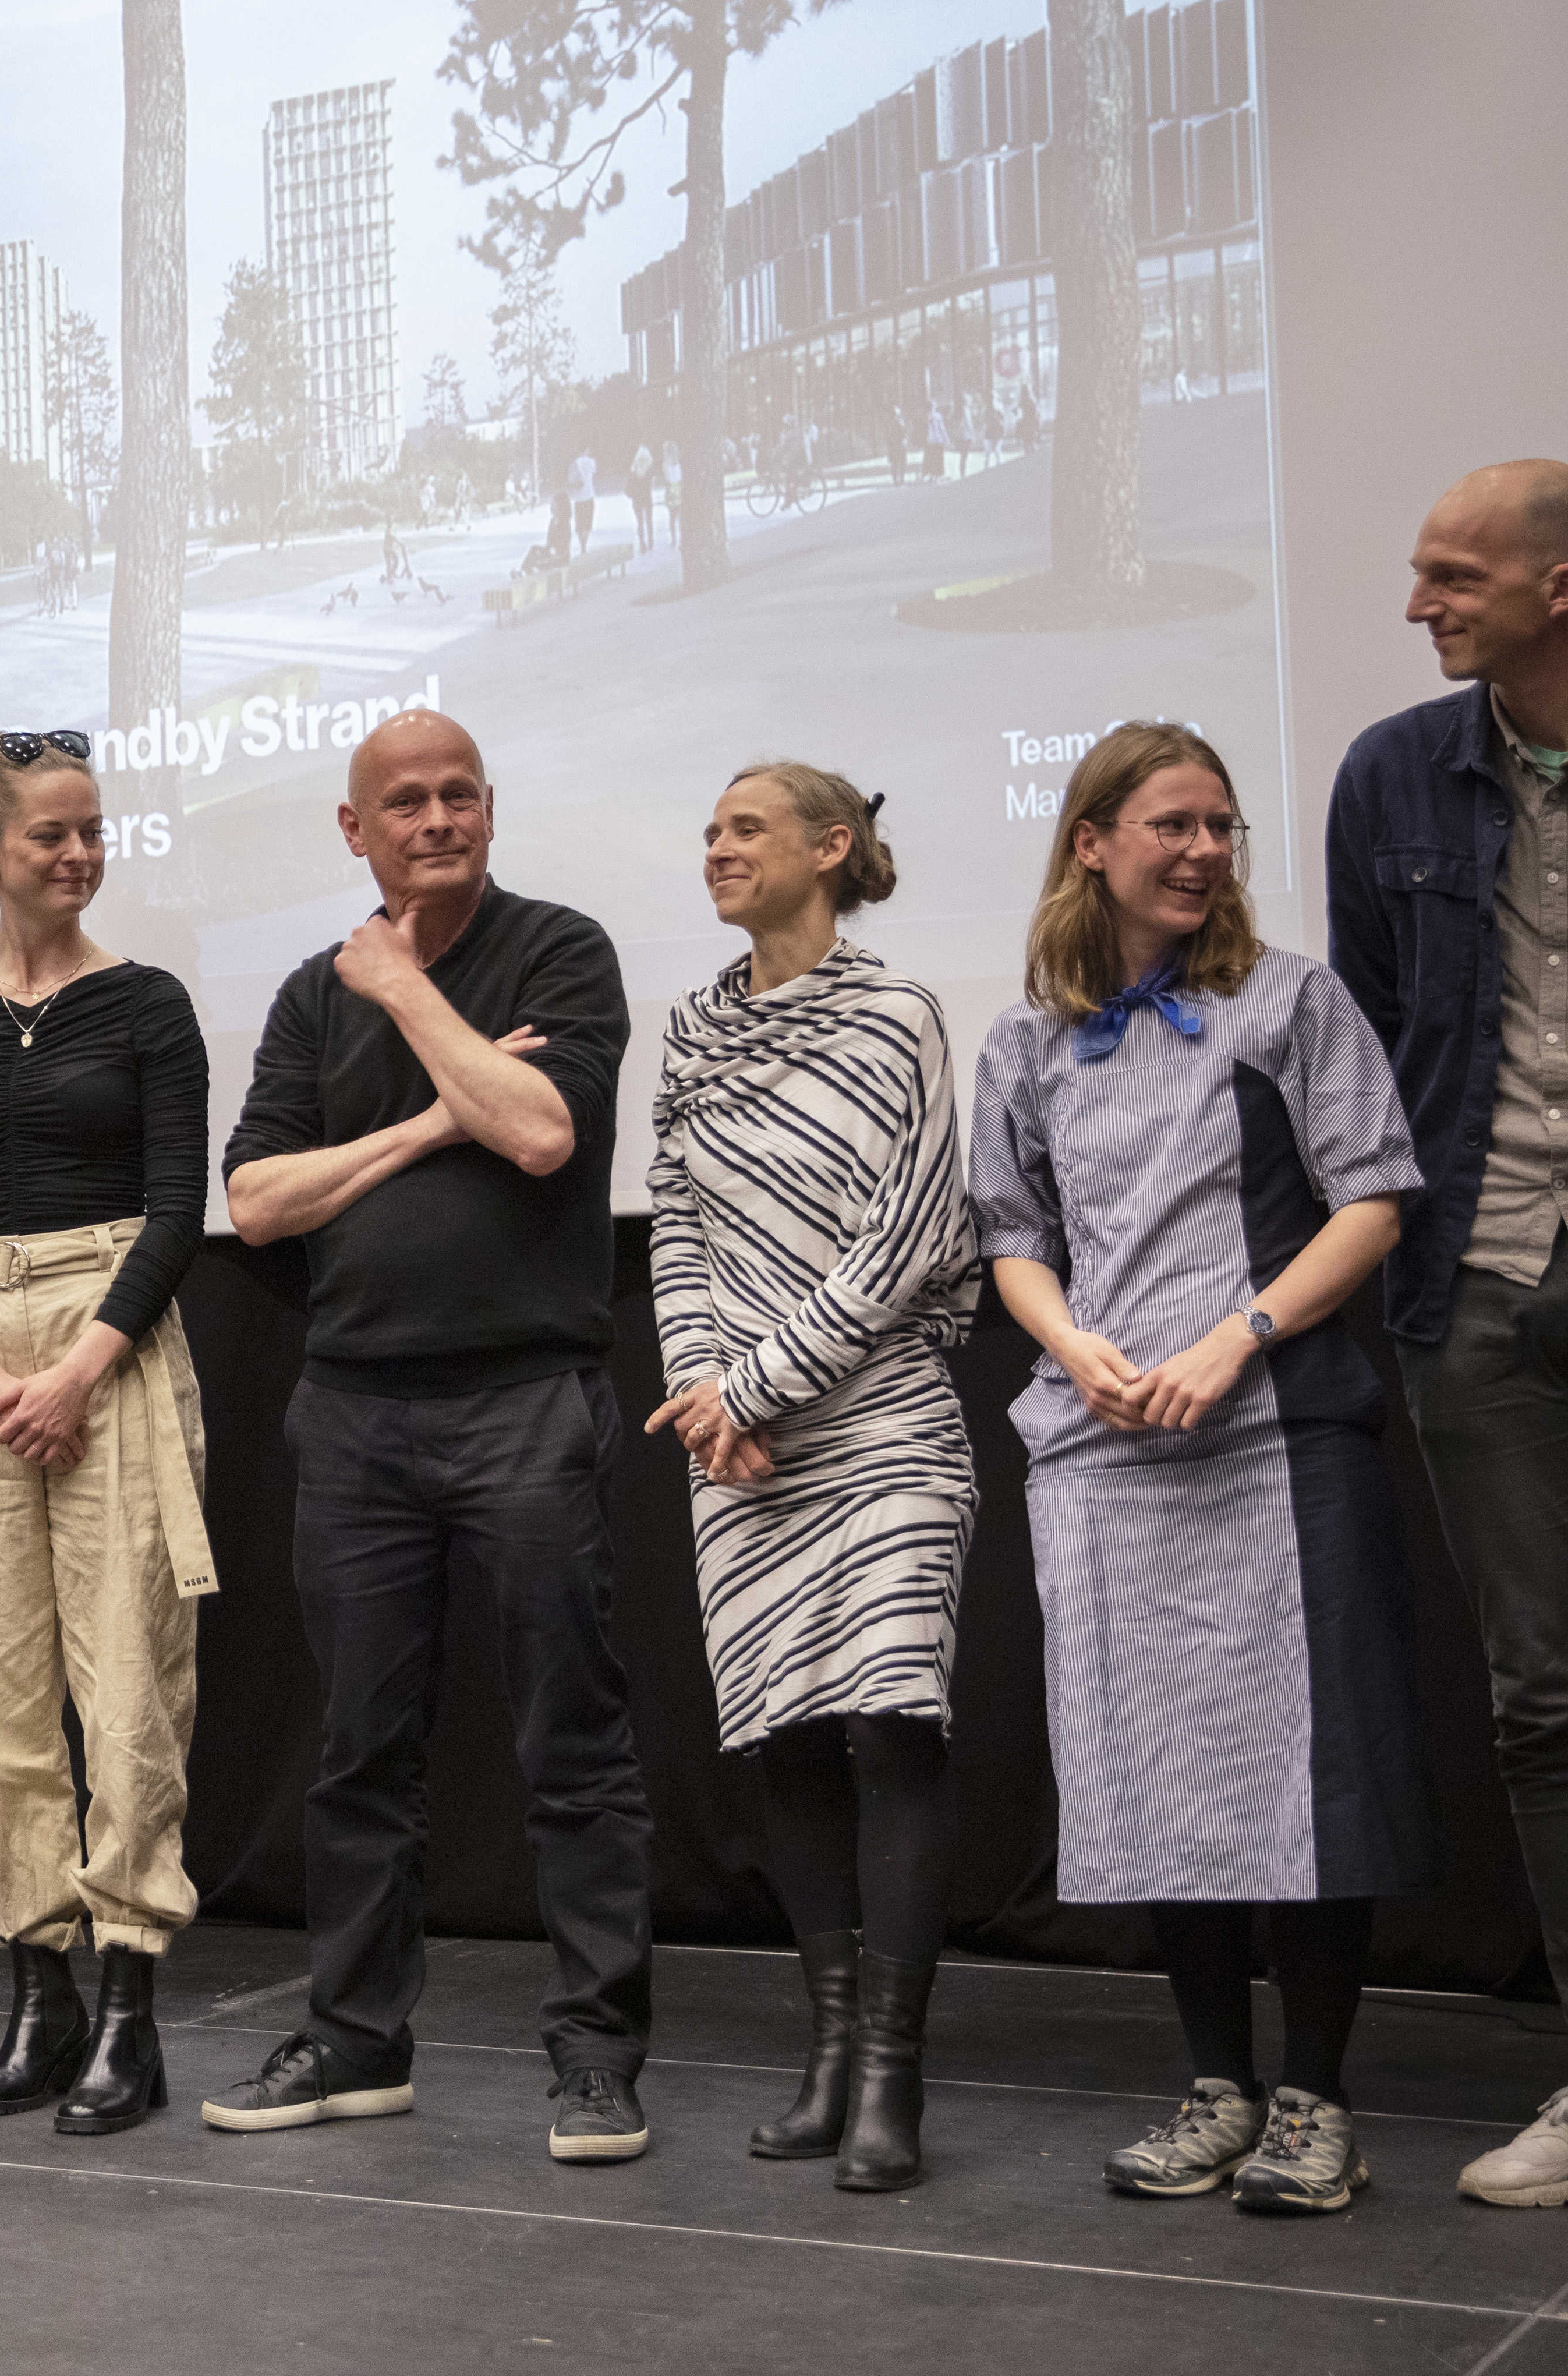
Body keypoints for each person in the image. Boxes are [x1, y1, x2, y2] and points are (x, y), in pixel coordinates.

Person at [976, 721, 1439, 2216]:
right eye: (1169, 822)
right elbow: (1009, 1236)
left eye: (1220, 826)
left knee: (1302, 1768)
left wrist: (1233, 1337)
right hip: (1100, 1455)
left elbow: (1369, 1197)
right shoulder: (1022, 1040)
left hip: (1272, 1435)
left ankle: (1312, 2096)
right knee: (1159, 1770)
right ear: (1089, 839)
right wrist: (1077, 1347)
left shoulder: (1288, 1001)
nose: (1199, 850)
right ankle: (1212, 2086)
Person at [206, 708, 654, 2164]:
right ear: (354, 829)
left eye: (460, 792)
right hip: (352, 1409)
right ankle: (352, 2040)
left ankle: (594, 2056)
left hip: (524, 1397)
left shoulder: (558, 950)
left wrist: (401, 988)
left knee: (567, 1744)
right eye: (404, 800)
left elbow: (534, 1131)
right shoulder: (299, 993)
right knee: (354, 1751)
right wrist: (415, 1128)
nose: (438, 817)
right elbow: (259, 1201)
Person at [1326, 458, 1568, 2208]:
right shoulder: (1388, 772)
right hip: (1473, 1286)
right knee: (1548, 1692)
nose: (1417, 599)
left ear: (1561, 587)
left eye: (1450, 574)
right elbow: (1365, 1032)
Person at [0, 731, 212, 2135]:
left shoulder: (146, 1004)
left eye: (90, 831)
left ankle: (128, 2005)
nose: (74, 855)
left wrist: (75, 1366)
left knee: (129, 1688)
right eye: (47, 835)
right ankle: (38, 1990)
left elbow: (180, 1205)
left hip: (110, 1335)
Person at [645, 768, 976, 2193]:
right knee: (784, 1736)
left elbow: (903, 1237)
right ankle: (828, 2049)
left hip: (880, 1422)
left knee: (893, 1725)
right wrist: (702, 1390)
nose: (713, 847)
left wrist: (755, 1384)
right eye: (708, 829)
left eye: (744, 828)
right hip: (738, 1443)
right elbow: (675, 1220)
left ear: (828, 849)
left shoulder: (897, 1013)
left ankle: (893, 2074)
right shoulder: (687, 1027)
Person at [628, 444, 660, 556]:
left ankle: (642, 544)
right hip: (647, 498)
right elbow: (653, 485)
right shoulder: (650, 470)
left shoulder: (633, 469)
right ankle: (651, 541)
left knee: (640, 522)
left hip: (637, 499)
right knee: (649, 521)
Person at [568, 450, 599, 553]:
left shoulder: (574, 463)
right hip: (589, 496)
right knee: (587, 523)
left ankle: (582, 545)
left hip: (578, 498)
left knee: (580, 524)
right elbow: (595, 471)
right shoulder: (591, 462)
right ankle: (584, 545)